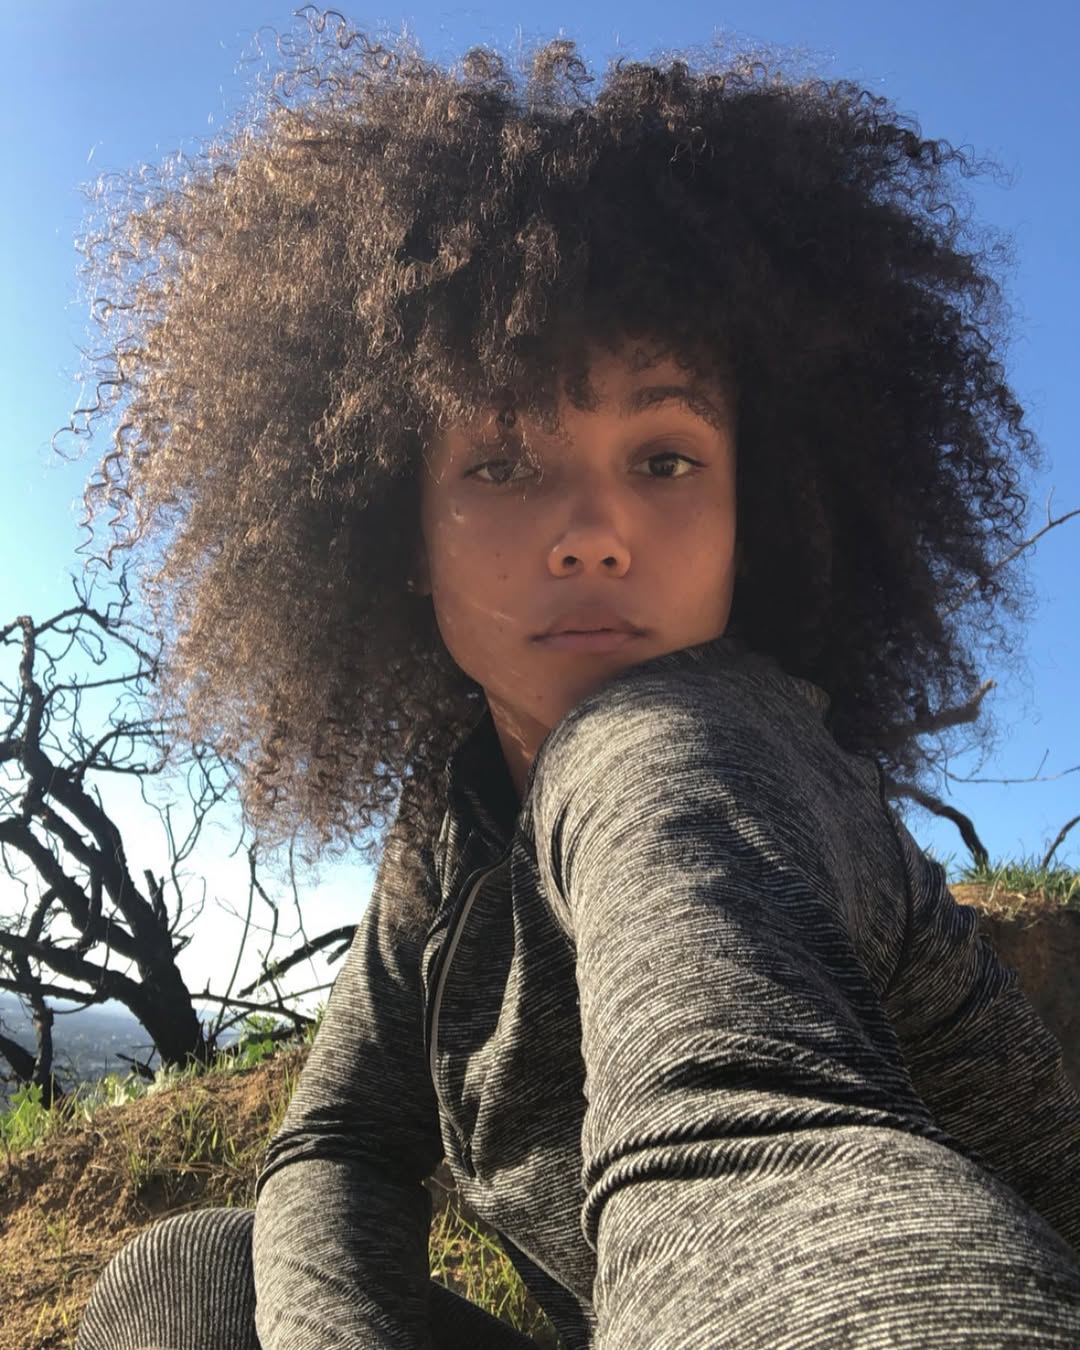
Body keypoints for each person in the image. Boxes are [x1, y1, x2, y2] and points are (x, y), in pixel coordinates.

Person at [74, 15, 1080, 1349]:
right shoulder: (450, 829)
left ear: (756, 520)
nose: (593, 532)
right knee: (192, 1270)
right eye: (502, 463)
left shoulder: (704, 751)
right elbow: (339, 1140)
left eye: (665, 460)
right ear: (400, 534)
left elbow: (740, 1131)